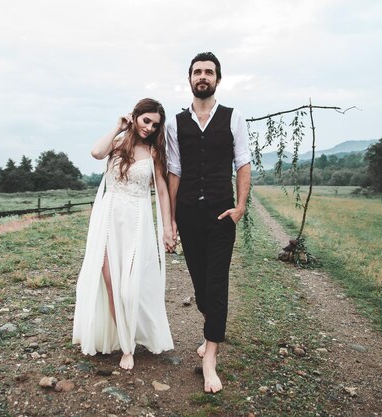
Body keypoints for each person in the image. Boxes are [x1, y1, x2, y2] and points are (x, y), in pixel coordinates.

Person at [166, 52, 251, 393]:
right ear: (190, 78)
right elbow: (174, 171)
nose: (203, 76)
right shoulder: (174, 123)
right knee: (201, 286)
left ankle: (210, 355)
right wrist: (170, 220)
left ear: (218, 79)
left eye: (209, 72)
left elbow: (243, 163)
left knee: (216, 283)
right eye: (198, 72)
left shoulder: (233, 117)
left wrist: (240, 206)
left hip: (221, 213)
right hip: (188, 213)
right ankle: (213, 327)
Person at [73, 98, 175, 370]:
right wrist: (118, 127)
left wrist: (167, 228)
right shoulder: (117, 145)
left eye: (155, 125)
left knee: (129, 288)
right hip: (108, 219)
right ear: (135, 117)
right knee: (109, 282)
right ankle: (126, 345)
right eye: (146, 121)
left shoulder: (153, 153)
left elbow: (163, 192)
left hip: (137, 222)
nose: (150, 128)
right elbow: (96, 152)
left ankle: (138, 332)